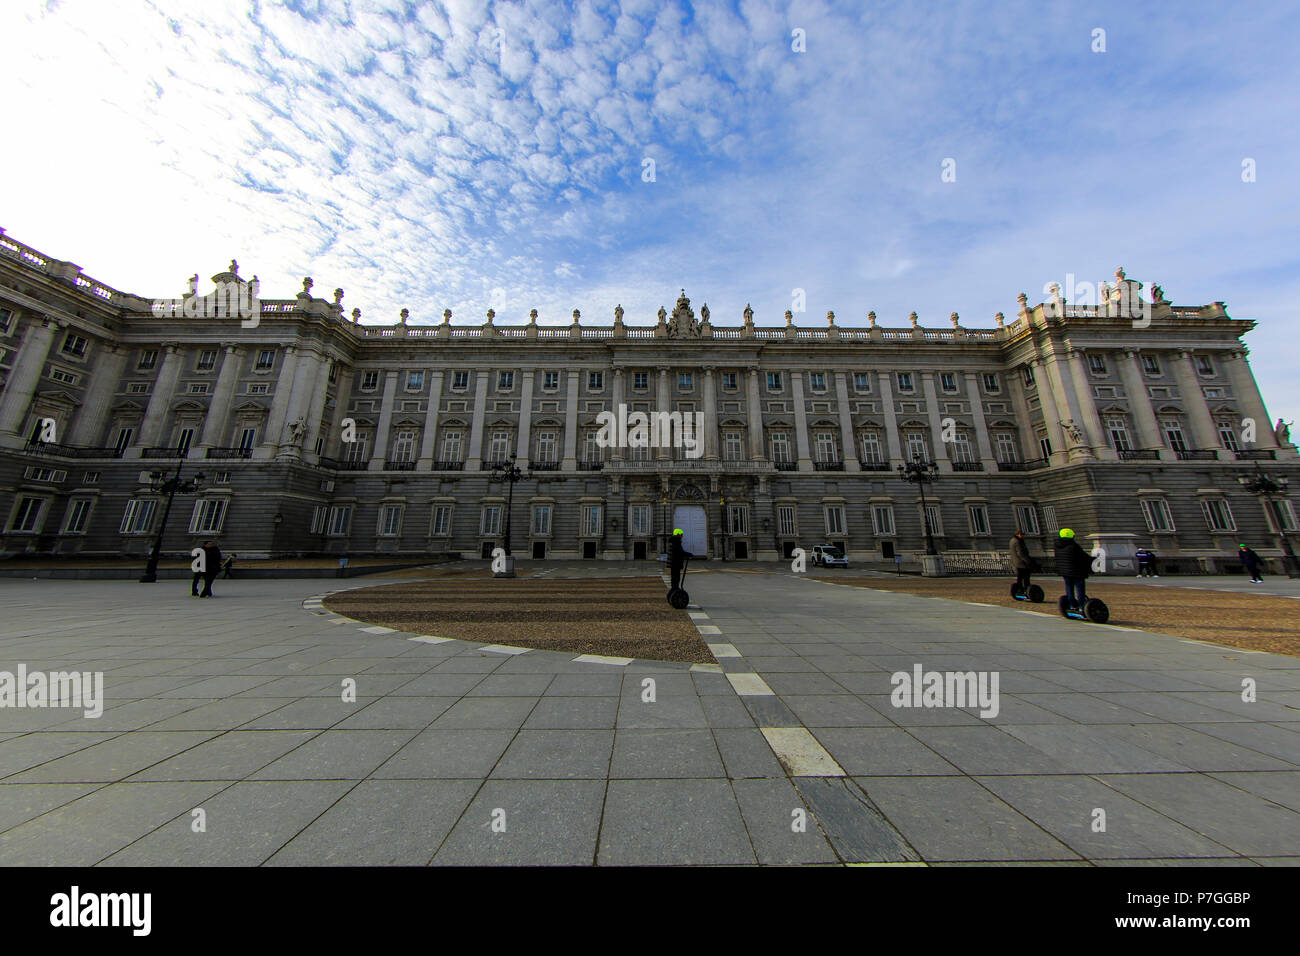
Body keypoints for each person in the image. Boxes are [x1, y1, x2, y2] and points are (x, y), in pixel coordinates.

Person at [1054, 528, 1092, 610]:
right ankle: (1082, 606)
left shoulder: (1057, 546)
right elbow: (1083, 557)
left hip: (1065, 572)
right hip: (1076, 571)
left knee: (1069, 588)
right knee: (1080, 588)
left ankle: (1072, 605)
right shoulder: (1073, 545)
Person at [668, 528, 693, 593]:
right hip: (675, 563)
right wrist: (688, 554)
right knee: (676, 577)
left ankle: (674, 588)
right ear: (678, 534)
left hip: (673, 563)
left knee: (674, 577)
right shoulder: (676, 542)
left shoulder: (672, 541)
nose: (682, 536)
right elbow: (679, 552)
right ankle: (675, 589)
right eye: (681, 534)